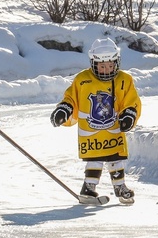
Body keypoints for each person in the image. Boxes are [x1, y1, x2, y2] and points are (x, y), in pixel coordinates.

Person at [50, 37, 142, 205]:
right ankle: (88, 188)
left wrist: (129, 115)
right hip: (90, 132)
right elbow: (71, 98)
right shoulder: (82, 80)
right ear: (93, 63)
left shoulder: (124, 80)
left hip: (113, 130)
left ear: (117, 61)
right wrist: (64, 110)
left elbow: (131, 101)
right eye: (102, 66)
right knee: (95, 159)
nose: (106, 70)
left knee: (116, 157)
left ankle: (120, 186)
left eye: (110, 66)